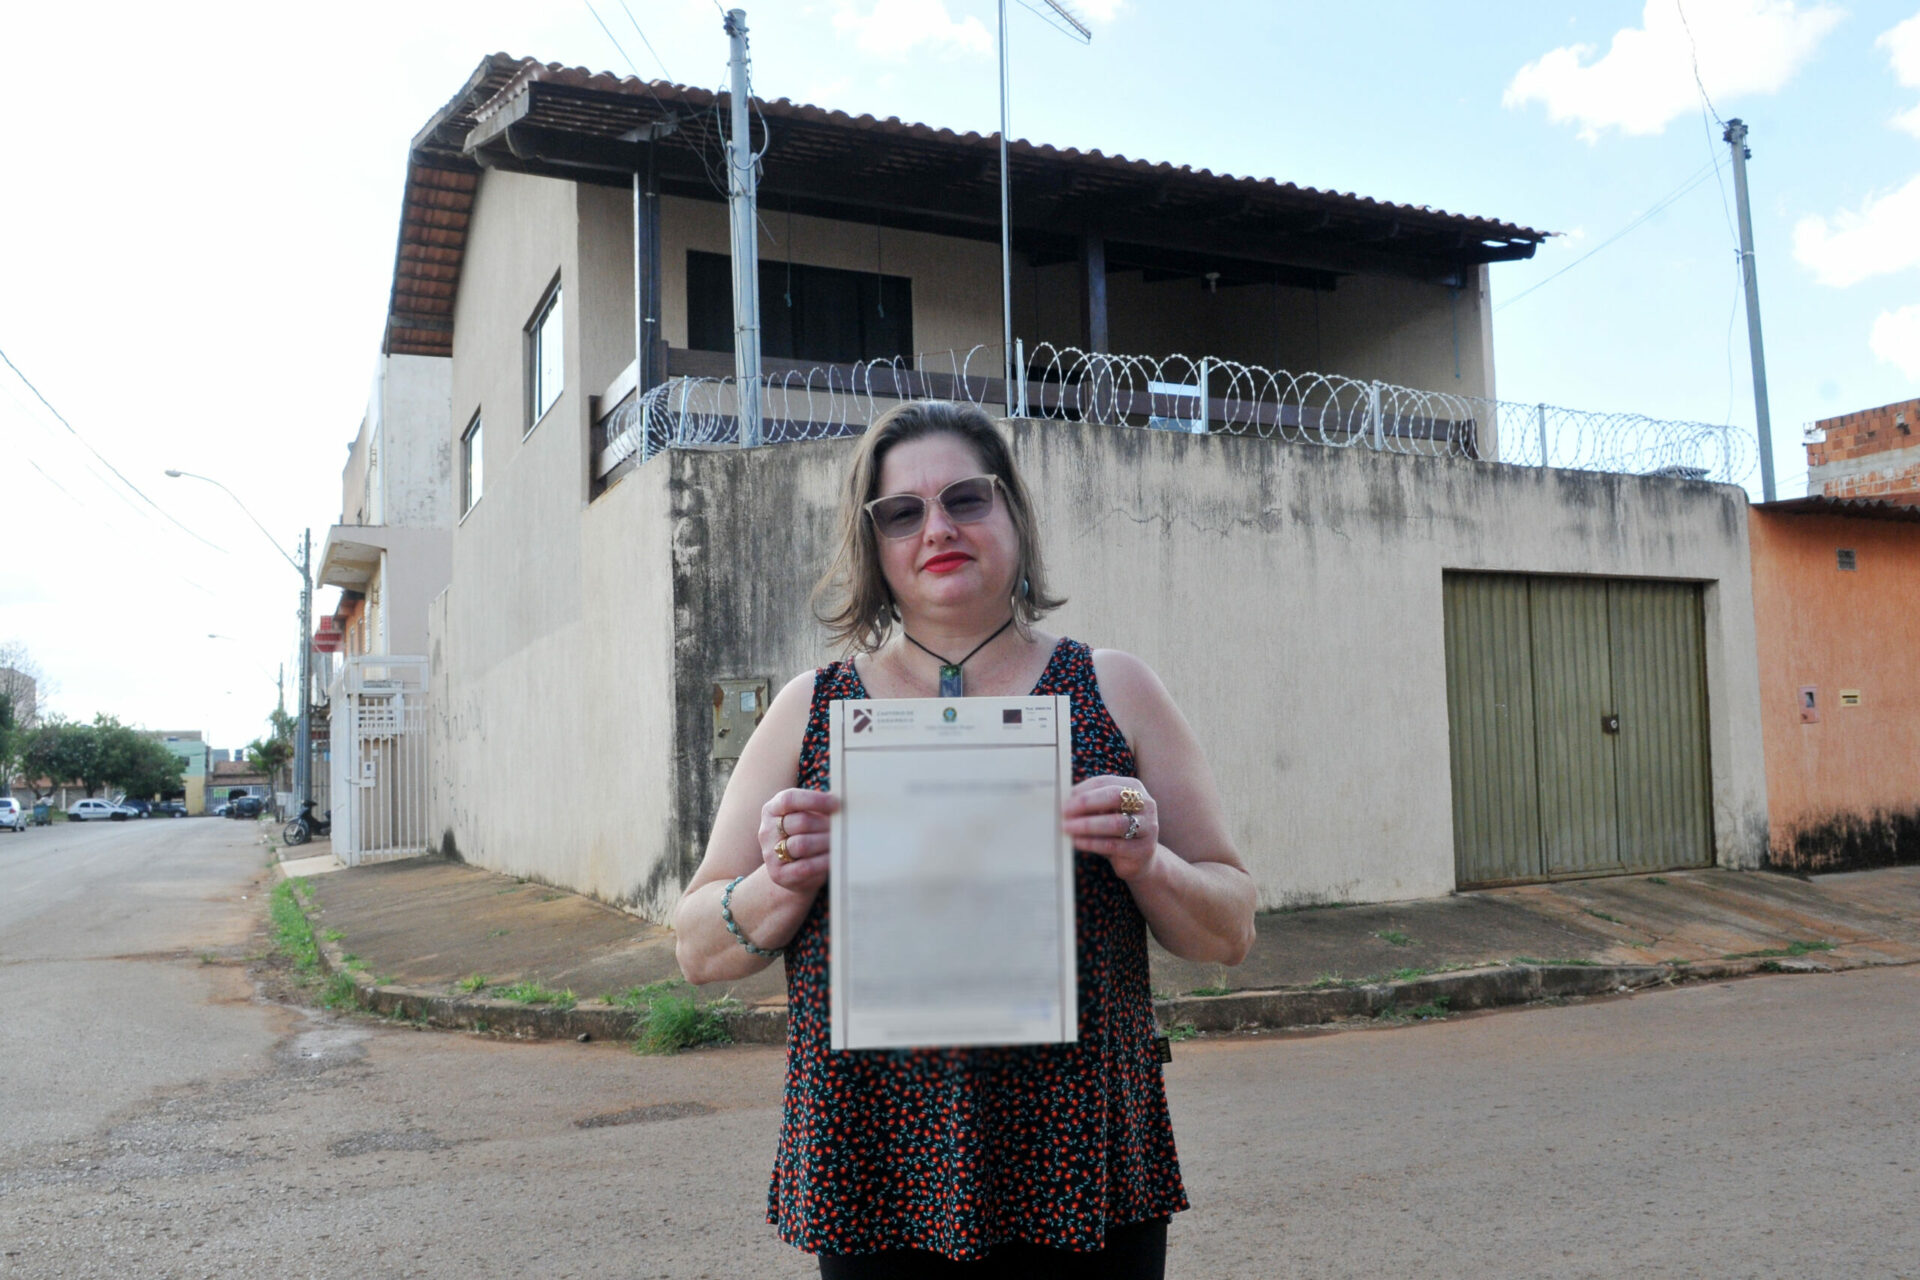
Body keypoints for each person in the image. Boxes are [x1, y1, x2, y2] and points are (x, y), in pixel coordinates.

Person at [673, 401, 1256, 1278]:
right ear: (873, 547)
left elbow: (1230, 928)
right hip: (879, 1165)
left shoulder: (1114, 690)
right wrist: (780, 883)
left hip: (1079, 1156)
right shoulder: (812, 710)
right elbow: (697, 947)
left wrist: (1148, 860)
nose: (936, 527)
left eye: (966, 499)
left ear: (1013, 512)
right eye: (900, 513)